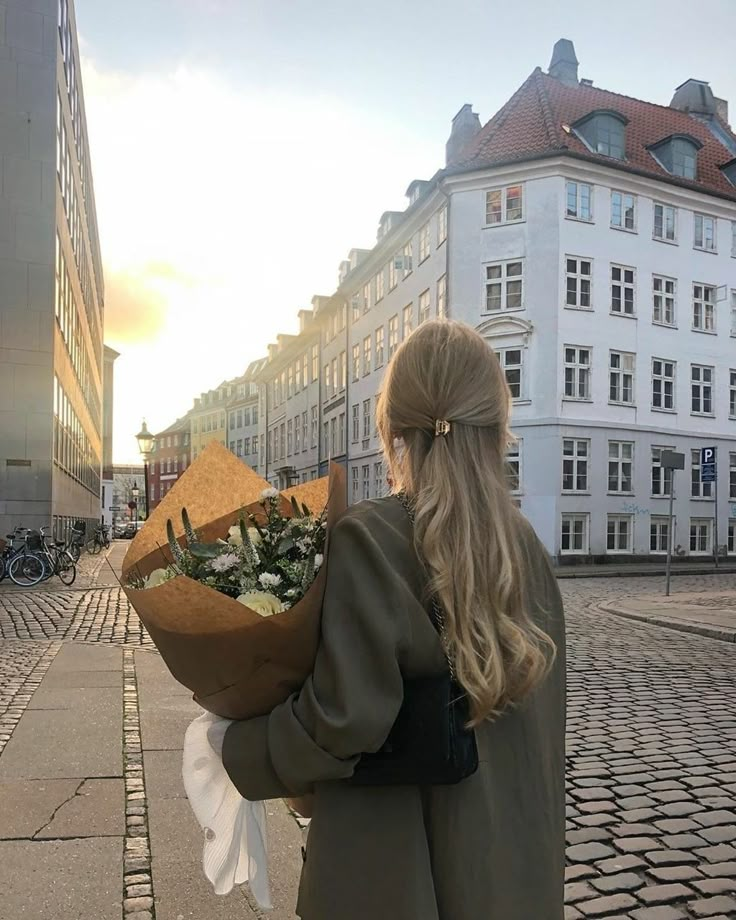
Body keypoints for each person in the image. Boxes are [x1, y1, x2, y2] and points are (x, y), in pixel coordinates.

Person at [222, 319, 566, 920]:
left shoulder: (370, 539)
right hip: (512, 870)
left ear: (392, 426)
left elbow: (343, 719)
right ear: (496, 424)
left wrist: (235, 747)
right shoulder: (528, 550)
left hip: (399, 874)